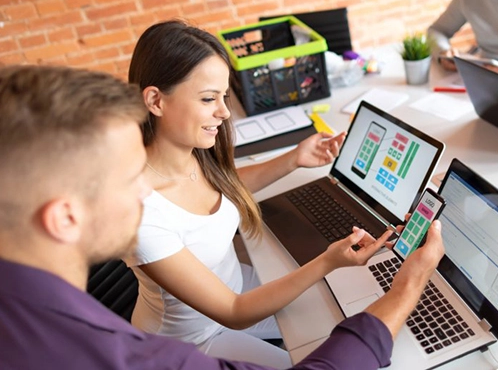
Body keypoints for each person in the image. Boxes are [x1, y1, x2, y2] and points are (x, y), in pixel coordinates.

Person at [0, 64, 445, 370]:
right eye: (127, 177)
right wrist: (407, 286)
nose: (144, 190)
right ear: (64, 218)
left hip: (230, 291)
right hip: (205, 330)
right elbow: (236, 315)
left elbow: (209, 191)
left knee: (331, 312)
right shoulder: (122, 356)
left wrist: (292, 160)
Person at [124, 20, 400, 367]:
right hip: (194, 343)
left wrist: (294, 159)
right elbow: (233, 312)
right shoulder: (140, 214)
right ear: (155, 101)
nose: (224, 112)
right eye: (209, 99)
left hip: (240, 287)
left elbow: (220, 187)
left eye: (224, 96)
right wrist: (328, 260)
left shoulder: (190, 153)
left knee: (339, 318)